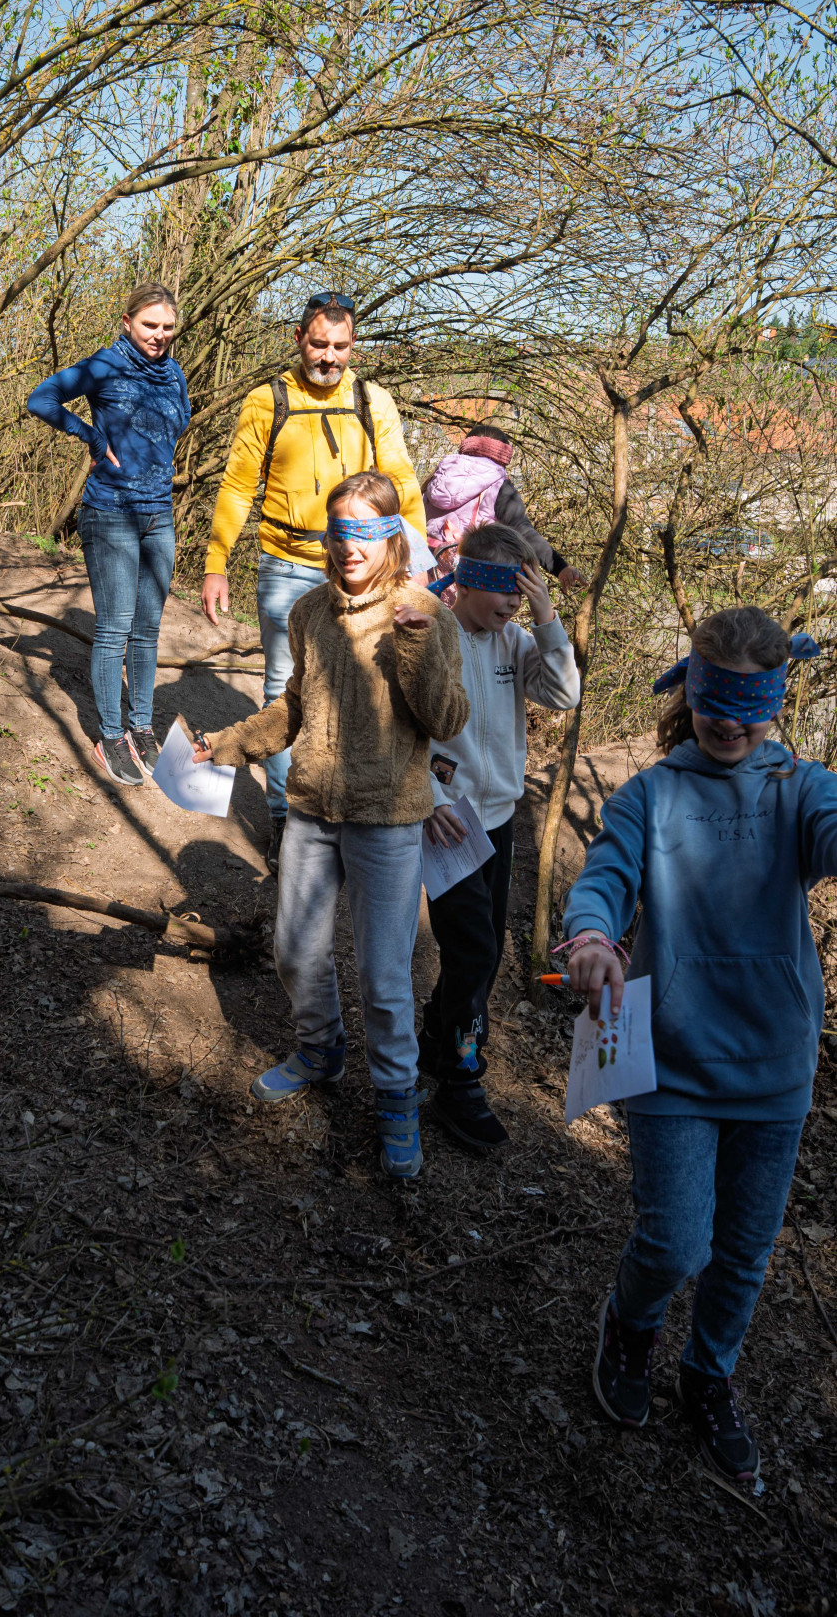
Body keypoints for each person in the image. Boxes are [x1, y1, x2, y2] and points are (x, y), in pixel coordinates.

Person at [560, 606, 834, 1489]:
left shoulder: (804, 790)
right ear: (691, 690)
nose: (729, 724)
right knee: (676, 1243)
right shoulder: (651, 795)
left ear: (777, 706)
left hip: (775, 1065)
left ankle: (709, 1374)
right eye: (716, 702)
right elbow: (606, 875)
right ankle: (630, 1326)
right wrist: (592, 937)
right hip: (672, 1060)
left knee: (745, 1252)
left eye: (750, 709)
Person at [194, 472, 466, 1180]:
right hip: (312, 810)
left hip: (387, 820)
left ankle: (397, 1098)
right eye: (339, 530)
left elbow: (447, 720)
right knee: (294, 951)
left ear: (393, 538)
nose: (350, 546)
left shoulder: (426, 613)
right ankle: (321, 1050)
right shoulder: (310, 612)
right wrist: (230, 744)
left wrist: (415, 647)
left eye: (365, 532)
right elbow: (294, 705)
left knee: (384, 977)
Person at [201, 290, 426, 869]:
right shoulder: (267, 401)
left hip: (364, 568)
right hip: (286, 564)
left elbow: (401, 481)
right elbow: (237, 486)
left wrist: (418, 563)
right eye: (319, 344)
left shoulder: (373, 401)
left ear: (354, 347)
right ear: (298, 339)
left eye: (341, 347)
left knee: (365, 688)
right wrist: (216, 561)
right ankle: (285, 818)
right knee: (285, 690)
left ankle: (352, 809)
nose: (329, 357)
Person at [420, 523, 580, 1150]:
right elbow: (401, 726)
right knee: (476, 952)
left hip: (499, 819)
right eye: (507, 590)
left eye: (525, 592)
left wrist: (547, 621)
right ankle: (462, 1079)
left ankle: (438, 1035)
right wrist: (431, 798)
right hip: (448, 821)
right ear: (467, 581)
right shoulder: (431, 635)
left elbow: (563, 693)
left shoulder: (516, 640)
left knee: (479, 949)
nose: (515, 602)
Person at [26, 285, 190, 787]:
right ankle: (111, 735)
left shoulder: (174, 373)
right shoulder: (105, 365)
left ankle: (141, 727)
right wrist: (91, 437)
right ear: (127, 322)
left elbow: (172, 429)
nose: (159, 335)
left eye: (167, 327)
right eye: (149, 325)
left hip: (159, 515)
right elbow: (41, 398)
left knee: (147, 631)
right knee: (116, 628)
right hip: (111, 513)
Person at [422, 425, 586, 597]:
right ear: (503, 456)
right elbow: (524, 531)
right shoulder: (499, 485)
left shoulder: (438, 475)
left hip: (424, 572)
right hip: (467, 580)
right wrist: (560, 567)